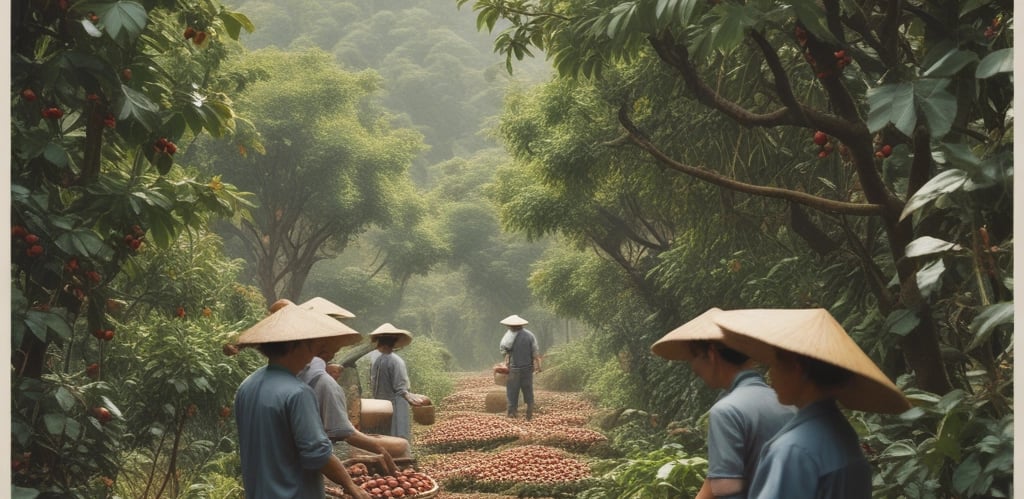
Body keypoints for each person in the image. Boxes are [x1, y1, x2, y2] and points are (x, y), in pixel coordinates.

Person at [712, 308, 912, 499]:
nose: (770, 375)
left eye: (775, 364)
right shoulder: (843, 434)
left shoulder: (794, 450)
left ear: (796, 367)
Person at [651, 308, 795, 499]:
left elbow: (727, 492)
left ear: (710, 354)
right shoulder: (790, 405)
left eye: (693, 357)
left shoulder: (727, 412)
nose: (693, 368)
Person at [232, 301, 370, 499]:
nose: (317, 348)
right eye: (312, 342)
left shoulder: (247, 385)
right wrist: (352, 486)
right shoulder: (298, 393)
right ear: (297, 345)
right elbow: (318, 455)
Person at [369, 323, 427, 440]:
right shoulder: (395, 361)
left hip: (383, 403)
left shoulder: (378, 360)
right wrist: (409, 397)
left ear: (380, 343)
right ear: (393, 342)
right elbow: (401, 388)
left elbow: (375, 384)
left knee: (387, 434)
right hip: (394, 402)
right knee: (397, 433)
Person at [498, 314, 542, 420]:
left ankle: (512, 413)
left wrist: (506, 362)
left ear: (511, 326)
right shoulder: (530, 335)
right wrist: (539, 367)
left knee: (512, 391)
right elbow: (535, 354)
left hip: (514, 369)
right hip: (527, 369)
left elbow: (504, 352)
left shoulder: (508, 336)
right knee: (528, 389)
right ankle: (529, 411)